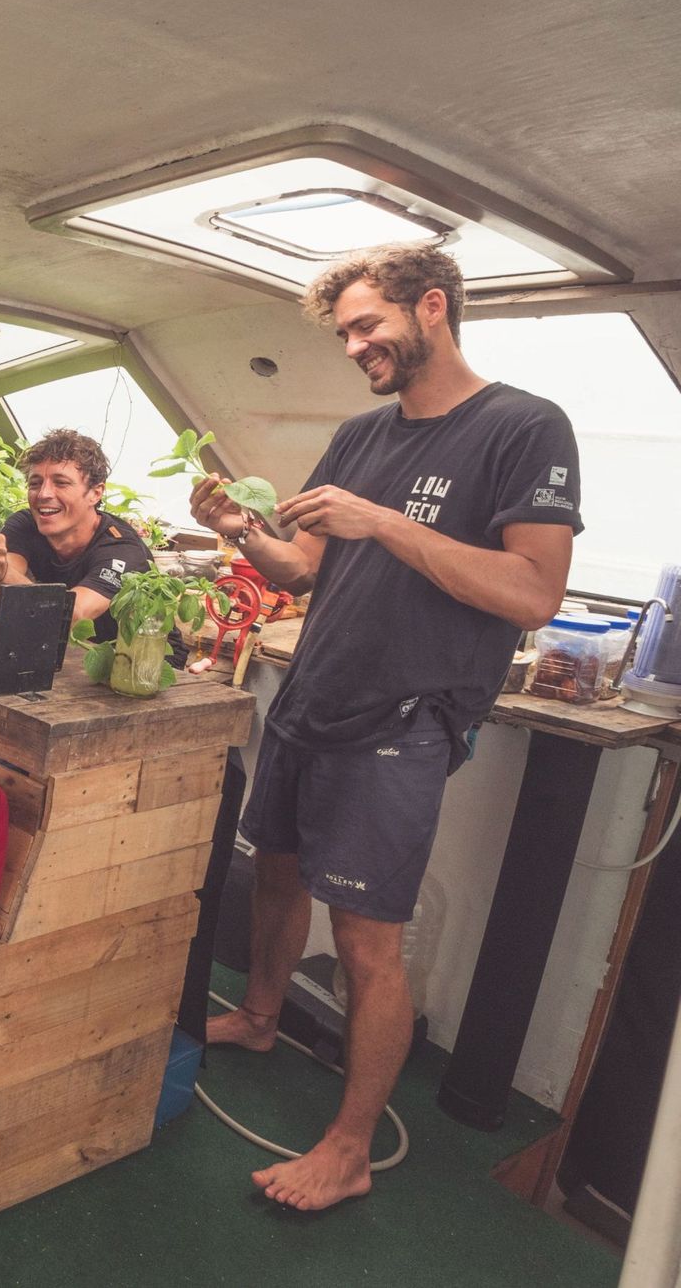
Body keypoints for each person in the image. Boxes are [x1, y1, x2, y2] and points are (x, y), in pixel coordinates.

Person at [191, 244, 579, 1210]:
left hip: (403, 718)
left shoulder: (523, 427)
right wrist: (240, 531)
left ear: (433, 308)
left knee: (368, 939)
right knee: (275, 866)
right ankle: (262, 1013)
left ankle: (350, 1148)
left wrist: (388, 523)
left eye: (368, 326)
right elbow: (303, 569)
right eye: (345, 333)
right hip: (313, 693)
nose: (356, 345)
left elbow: (534, 592)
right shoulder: (362, 435)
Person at [0, 427, 152, 642]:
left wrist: (3, 574)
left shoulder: (121, 549)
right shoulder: (25, 524)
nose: (43, 494)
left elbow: (73, 616)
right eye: (35, 483)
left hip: (135, 664)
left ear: (95, 493)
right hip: (63, 653)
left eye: (61, 483)